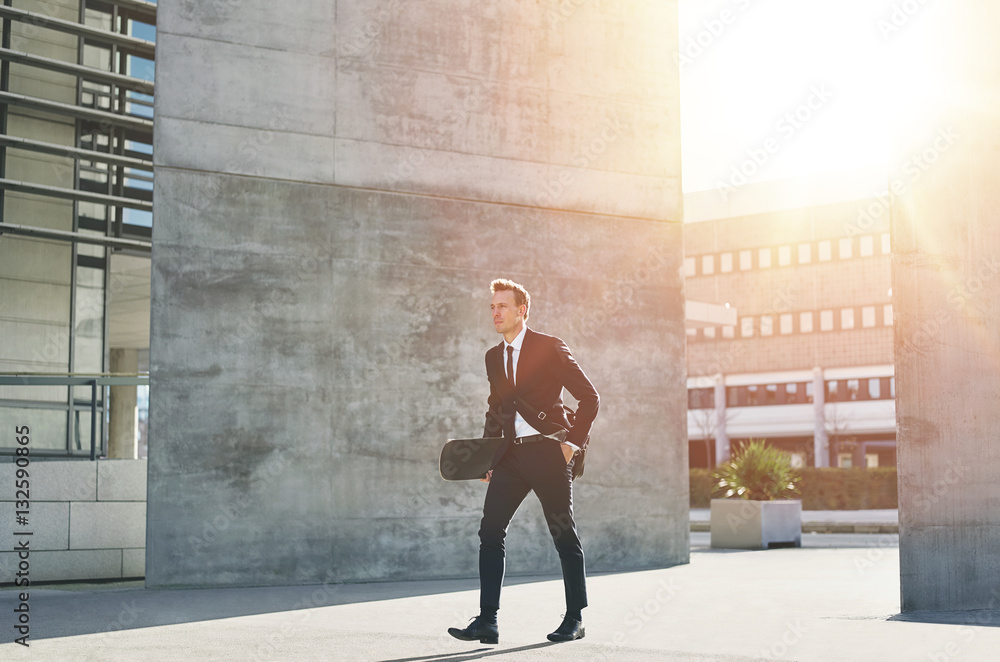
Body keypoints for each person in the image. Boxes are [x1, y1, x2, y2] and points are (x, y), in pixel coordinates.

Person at [448, 278, 599, 644]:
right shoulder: (492, 357)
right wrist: (487, 455)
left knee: (563, 534)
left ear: (522, 310)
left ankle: (575, 618)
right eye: (492, 307)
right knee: (490, 532)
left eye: (503, 306)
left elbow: (589, 398)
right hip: (510, 457)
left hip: (549, 453)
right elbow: (495, 409)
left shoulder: (550, 348)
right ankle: (487, 620)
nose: (496, 312)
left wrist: (571, 446)